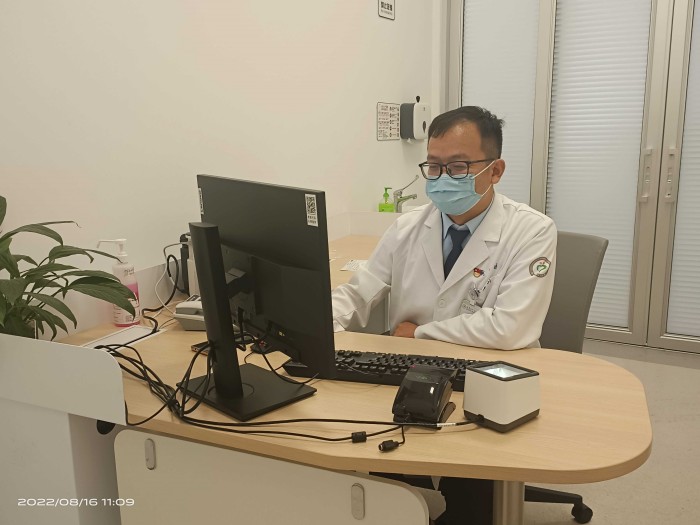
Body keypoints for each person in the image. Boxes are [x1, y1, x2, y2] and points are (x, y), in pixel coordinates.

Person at [331, 106, 558, 524]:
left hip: (488, 376)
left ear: (495, 170)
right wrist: (317, 324)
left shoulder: (532, 231)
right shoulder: (407, 227)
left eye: (457, 166)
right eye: (433, 166)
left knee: (472, 499)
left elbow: (511, 327)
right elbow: (360, 292)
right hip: (409, 371)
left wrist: (419, 334)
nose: (441, 179)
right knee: (384, 479)